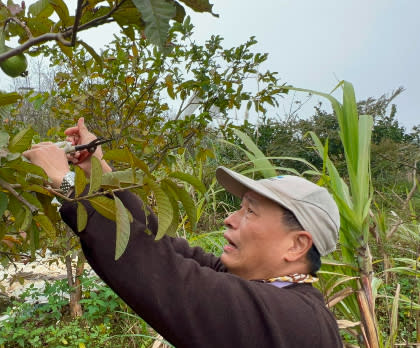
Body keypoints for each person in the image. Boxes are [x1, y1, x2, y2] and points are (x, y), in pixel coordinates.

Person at [23, 118, 343, 348]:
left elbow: (161, 272)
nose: (230, 219)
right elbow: (165, 247)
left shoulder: (292, 320)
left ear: (297, 245)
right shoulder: (269, 290)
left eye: (250, 211)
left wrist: (64, 180)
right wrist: (98, 173)